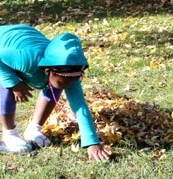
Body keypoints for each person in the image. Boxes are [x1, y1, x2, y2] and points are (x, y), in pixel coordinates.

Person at [0, 24, 111, 161]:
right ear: (48, 71)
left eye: (73, 80)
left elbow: (79, 106)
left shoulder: (69, 72)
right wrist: (14, 83)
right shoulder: (27, 59)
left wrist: (92, 142)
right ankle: (10, 134)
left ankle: (34, 129)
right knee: (6, 86)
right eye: (65, 81)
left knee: (55, 87)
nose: (69, 85)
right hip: (5, 46)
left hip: (25, 43)